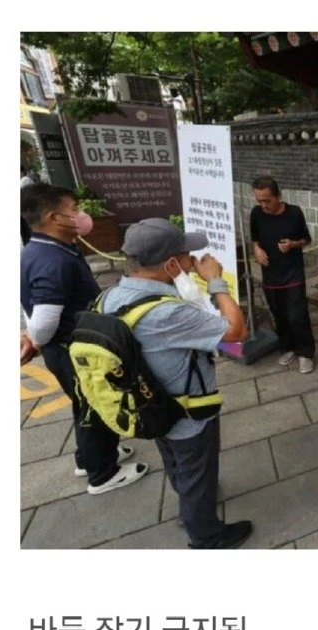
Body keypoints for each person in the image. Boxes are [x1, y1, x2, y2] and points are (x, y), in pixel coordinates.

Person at [102, 218, 253, 550]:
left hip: (152, 404)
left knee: (175, 462)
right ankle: (206, 536)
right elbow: (236, 331)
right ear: (171, 264)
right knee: (197, 469)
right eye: (187, 256)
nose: (193, 261)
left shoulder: (113, 295)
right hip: (188, 412)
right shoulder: (166, 312)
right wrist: (215, 280)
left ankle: (190, 502)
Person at [20, 183, 147, 494]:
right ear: (53, 217)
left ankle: (90, 457)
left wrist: (34, 336)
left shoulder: (42, 248)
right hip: (73, 350)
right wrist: (35, 339)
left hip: (67, 347)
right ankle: (102, 474)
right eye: (74, 210)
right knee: (94, 405)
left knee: (84, 403)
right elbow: (44, 322)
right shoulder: (52, 261)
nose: (80, 215)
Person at [250, 176, 316, 374]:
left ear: (278, 196)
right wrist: (257, 250)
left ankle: (305, 354)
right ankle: (288, 348)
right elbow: (255, 239)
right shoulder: (256, 213)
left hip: (293, 272)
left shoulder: (294, 213)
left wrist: (292, 244)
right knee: (279, 315)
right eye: (259, 201)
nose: (264, 205)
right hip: (270, 273)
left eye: (267, 200)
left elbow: (306, 239)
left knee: (297, 315)